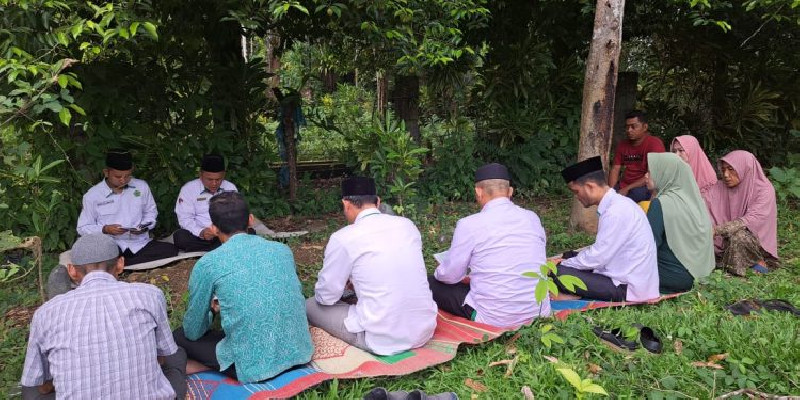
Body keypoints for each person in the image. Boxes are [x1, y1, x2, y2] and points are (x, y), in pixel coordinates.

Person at [21, 234, 186, 400]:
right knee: (177, 355)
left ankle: (61, 297)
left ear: (71, 270)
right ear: (120, 264)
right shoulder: (149, 295)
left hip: (56, 316)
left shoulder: (45, 313)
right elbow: (161, 357)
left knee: (31, 389)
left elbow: (41, 387)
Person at [174, 192, 312, 383]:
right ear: (250, 220)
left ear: (214, 228)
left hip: (253, 366)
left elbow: (193, 330)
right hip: (299, 354)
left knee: (180, 336)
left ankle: (211, 366)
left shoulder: (208, 264)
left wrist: (212, 313)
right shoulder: (282, 250)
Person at [306, 177, 437, 355]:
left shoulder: (343, 237)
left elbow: (326, 297)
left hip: (382, 338)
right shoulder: (407, 225)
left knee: (310, 305)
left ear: (346, 204)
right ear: (378, 201)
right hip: (424, 330)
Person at [428, 163, 550, 327]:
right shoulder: (532, 218)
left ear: (478, 191)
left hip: (495, 318)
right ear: (510, 192)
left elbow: (450, 276)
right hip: (538, 311)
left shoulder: (469, 224)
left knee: (431, 283)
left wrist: (439, 272)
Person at [556, 156, 659, 301]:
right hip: (626, 276)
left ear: (590, 186)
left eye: (576, 192)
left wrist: (561, 265)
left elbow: (598, 257)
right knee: (569, 256)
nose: (577, 197)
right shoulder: (619, 204)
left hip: (626, 287)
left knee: (558, 272)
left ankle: (572, 294)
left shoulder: (615, 211)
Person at [76, 149, 178, 265]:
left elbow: (150, 212)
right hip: (110, 244)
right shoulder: (93, 195)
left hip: (140, 243)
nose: (123, 180)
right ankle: (123, 262)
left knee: (171, 250)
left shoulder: (141, 186)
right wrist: (105, 229)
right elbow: (82, 227)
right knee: (99, 253)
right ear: (106, 172)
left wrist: (144, 226)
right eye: (118, 176)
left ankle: (121, 264)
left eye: (127, 176)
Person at [645, 153, 715, 293]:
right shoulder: (697, 201)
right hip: (698, 275)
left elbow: (647, 245)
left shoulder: (661, 204)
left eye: (651, 171)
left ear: (665, 173)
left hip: (670, 278)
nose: (646, 176)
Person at [705, 150, 778, 276]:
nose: (726, 175)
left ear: (746, 168)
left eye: (731, 169)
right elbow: (703, 203)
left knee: (738, 236)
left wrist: (716, 230)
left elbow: (750, 220)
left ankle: (736, 272)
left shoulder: (764, 189)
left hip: (754, 241)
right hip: (724, 240)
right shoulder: (720, 187)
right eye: (723, 170)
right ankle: (751, 264)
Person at [173, 154, 238, 252]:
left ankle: (218, 247)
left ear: (224, 175)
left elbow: (237, 214)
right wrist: (201, 232)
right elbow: (185, 219)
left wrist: (225, 230)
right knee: (180, 237)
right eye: (210, 179)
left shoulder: (230, 188)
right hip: (201, 235)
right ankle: (223, 247)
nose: (214, 183)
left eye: (218, 179)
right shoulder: (188, 189)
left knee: (249, 232)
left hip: (226, 233)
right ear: (201, 175)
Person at [608, 110, 666, 202]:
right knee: (607, 198)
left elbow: (652, 175)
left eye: (633, 127)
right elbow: (615, 169)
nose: (629, 130)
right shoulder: (622, 145)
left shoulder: (655, 144)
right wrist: (611, 192)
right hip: (624, 184)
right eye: (627, 127)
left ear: (645, 127)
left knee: (634, 197)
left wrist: (627, 188)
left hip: (645, 185)